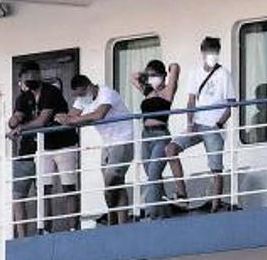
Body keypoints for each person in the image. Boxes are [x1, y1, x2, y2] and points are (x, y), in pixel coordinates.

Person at [164, 37, 236, 213]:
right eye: (209, 53)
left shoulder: (224, 74)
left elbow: (231, 105)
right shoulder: (195, 72)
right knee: (171, 149)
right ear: (203, 53)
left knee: (215, 168)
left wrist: (219, 124)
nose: (212, 56)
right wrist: (189, 123)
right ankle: (182, 195)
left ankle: (215, 205)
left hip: (213, 126)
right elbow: (191, 101)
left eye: (215, 53)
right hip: (197, 123)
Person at [8, 62, 81, 233]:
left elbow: (42, 120)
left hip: (64, 144)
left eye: (32, 75)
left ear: (38, 75)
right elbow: (14, 120)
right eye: (26, 77)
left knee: (68, 186)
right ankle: (45, 228)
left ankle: (72, 227)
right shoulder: (23, 98)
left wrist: (21, 128)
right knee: (44, 188)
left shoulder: (51, 92)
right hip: (43, 148)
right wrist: (15, 120)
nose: (29, 79)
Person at [58, 74, 135, 225]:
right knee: (117, 184)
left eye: (80, 94)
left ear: (88, 87)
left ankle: (111, 216)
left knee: (111, 179)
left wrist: (72, 120)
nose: (80, 98)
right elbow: (71, 116)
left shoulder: (106, 93)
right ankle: (120, 221)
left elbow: (99, 114)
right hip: (107, 143)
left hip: (123, 140)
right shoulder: (82, 98)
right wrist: (61, 117)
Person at [131, 60, 180, 219]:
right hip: (146, 136)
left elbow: (175, 67)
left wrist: (168, 70)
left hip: (160, 135)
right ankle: (164, 213)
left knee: (153, 173)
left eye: (154, 75)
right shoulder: (148, 92)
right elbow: (132, 78)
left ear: (163, 76)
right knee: (153, 176)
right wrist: (145, 76)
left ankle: (151, 214)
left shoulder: (168, 92)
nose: (151, 78)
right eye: (149, 75)